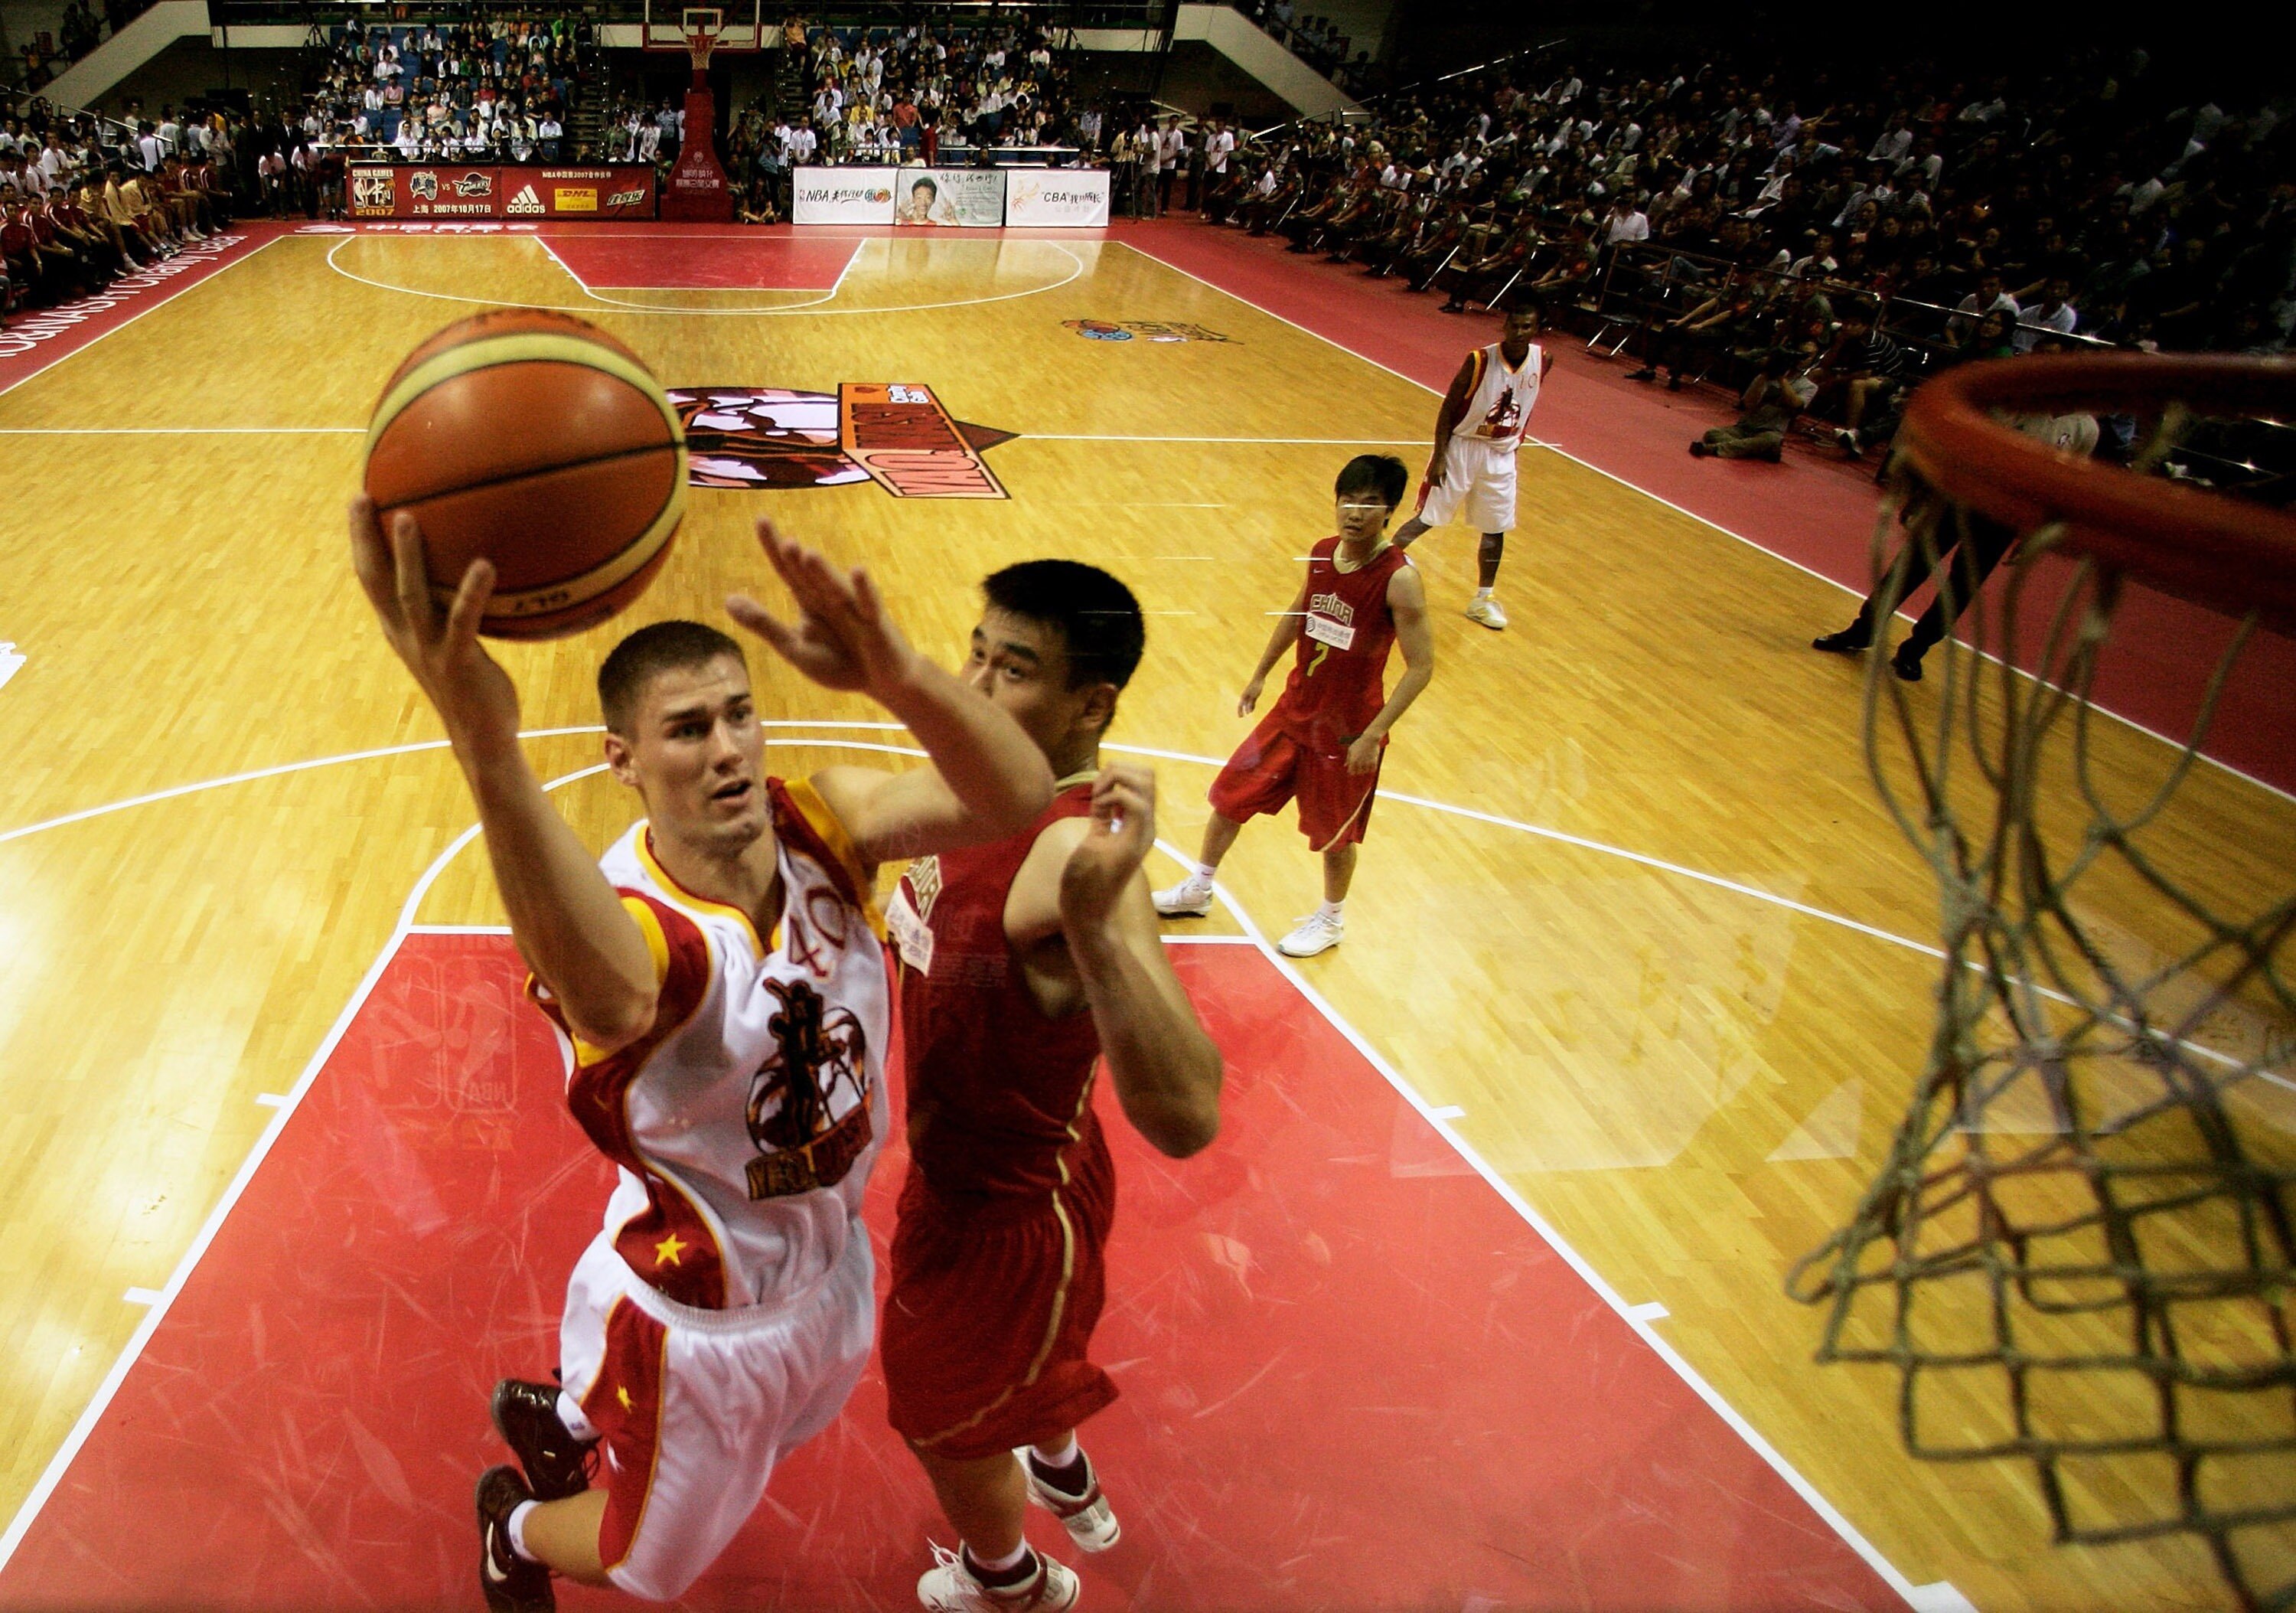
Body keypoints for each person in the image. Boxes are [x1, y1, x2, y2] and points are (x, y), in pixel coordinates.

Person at [348, 505, 1055, 1611]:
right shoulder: (643, 929)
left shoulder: (826, 824)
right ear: (622, 760)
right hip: (696, 1322)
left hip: (828, 1268)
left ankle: (564, 1414)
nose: (726, 747)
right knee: (650, 1560)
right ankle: (517, 1522)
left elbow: (1017, 793)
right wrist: (485, 747)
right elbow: (615, 991)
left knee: (790, 1431)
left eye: (740, 716)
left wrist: (903, 673)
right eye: (686, 729)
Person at [884, 561, 1225, 1612]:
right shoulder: (975, 786)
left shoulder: (1069, 849)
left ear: (1092, 704)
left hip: (1009, 1211)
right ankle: (1062, 1467)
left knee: (935, 1412)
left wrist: (1098, 924)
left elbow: (1189, 1109)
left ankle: (1011, 1581)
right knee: (1016, 1367)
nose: (975, 681)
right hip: (984, 1163)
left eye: (1014, 667)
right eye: (975, 650)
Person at [1153, 455, 1435, 958]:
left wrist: (1373, 733)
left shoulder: (1399, 579)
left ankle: (1331, 919)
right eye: (1347, 500)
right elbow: (1298, 612)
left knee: (1335, 835)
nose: (1354, 512)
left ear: (1389, 510)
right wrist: (1261, 672)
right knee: (1228, 795)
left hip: (1347, 732)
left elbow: (1421, 667)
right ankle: (1199, 886)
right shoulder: (1324, 553)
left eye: (1369, 503)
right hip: (1293, 712)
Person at [1811, 401, 2099, 679]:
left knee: (1962, 587)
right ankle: (1863, 631)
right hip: (1962, 497)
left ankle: (1915, 650)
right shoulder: (2014, 406)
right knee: (1910, 567)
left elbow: (2062, 483)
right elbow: (1967, 450)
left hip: (2005, 516)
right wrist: (1927, 492)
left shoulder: (2085, 429)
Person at [1387, 299, 1551, 630]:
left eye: (1527, 327)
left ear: (1536, 329)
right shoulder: (1479, 360)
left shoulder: (1543, 360)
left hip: (1501, 454)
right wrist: (1441, 456)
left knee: (1496, 528)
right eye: (1515, 326)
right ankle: (1377, 575)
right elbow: (1448, 408)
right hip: (1462, 447)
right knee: (1427, 518)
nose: (1520, 333)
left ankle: (1483, 599)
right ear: (1504, 327)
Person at [1688, 349, 1815, 461]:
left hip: (1769, 432)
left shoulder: (1809, 387)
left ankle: (1714, 449)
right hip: (1744, 429)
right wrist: (1766, 374)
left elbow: (1796, 404)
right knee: (1712, 433)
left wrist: (1781, 378)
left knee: (1771, 440)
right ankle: (1757, 451)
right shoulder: (1763, 377)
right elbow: (1748, 403)